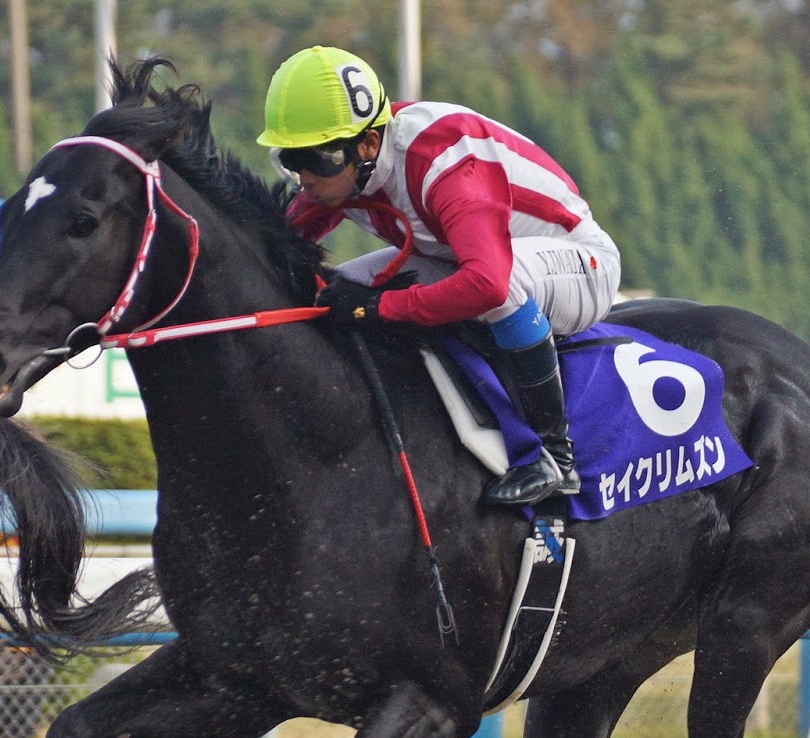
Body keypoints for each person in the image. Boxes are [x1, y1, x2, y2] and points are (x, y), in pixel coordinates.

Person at [257, 45, 623, 506]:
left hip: (580, 265)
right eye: (291, 159)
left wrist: (386, 309)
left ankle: (555, 457)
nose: (304, 176)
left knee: (501, 287)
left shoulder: (443, 163)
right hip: (465, 260)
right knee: (334, 293)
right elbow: (275, 248)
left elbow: (486, 282)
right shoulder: (347, 166)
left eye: (318, 158)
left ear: (369, 143)